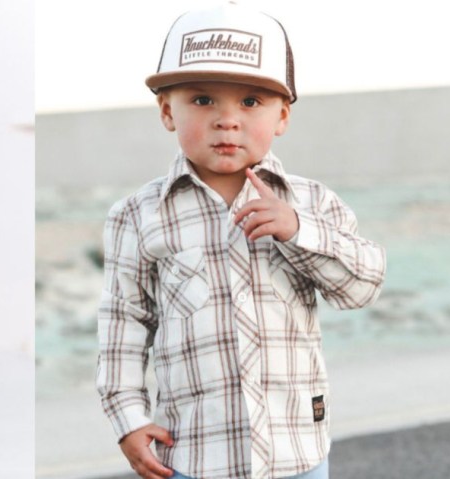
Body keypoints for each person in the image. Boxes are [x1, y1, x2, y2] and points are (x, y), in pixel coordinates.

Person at [96, 3, 386, 478]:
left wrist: (297, 230)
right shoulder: (136, 214)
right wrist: (127, 417)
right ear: (168, 111)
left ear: (282, 117)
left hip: (296, 452)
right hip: (193, 455)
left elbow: (363, 284)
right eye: (203, 100)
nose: (227, 119)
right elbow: (124, 325)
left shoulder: (310, 202)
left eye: (250, 102)